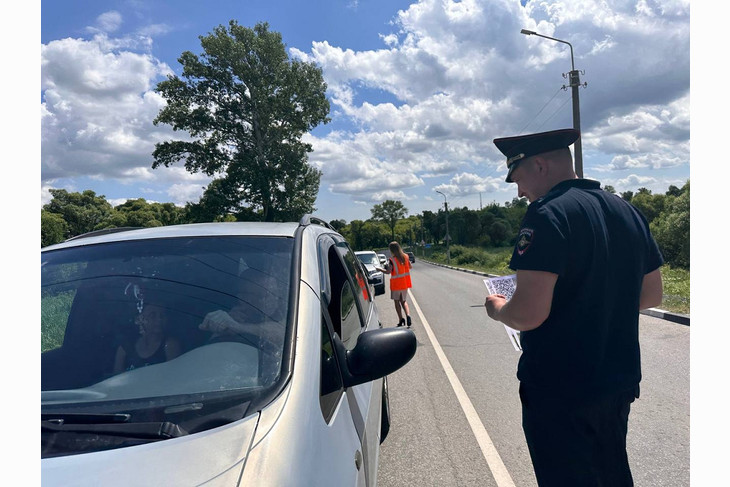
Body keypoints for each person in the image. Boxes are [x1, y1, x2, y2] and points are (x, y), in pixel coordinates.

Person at [484, 128, 664, 486]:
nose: (519, 191)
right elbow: (651, 296)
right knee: (611, 472)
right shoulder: (626, 210)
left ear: (539, 166)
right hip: (617, 382)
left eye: (516, 179)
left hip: (561, 389)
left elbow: (528, 314)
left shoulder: (547, 215)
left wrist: (499, 308)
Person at [114, 303, 182, 373]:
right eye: (153, 316)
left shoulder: (170, 345)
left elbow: (173, 376)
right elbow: (117, 378)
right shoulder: (125, 348)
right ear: (140, 319)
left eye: (162, 315)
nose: (159, 319)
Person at [378, 241, 413, 328]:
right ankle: (408, 315)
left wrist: (379, 269)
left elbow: (388, 271)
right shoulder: (405, 257)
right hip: (404, 283)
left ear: (392, 250)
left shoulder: (392, 260)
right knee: (404, 301)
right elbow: (410, 267)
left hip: (396, 285)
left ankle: (401, 319)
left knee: (397, 302)